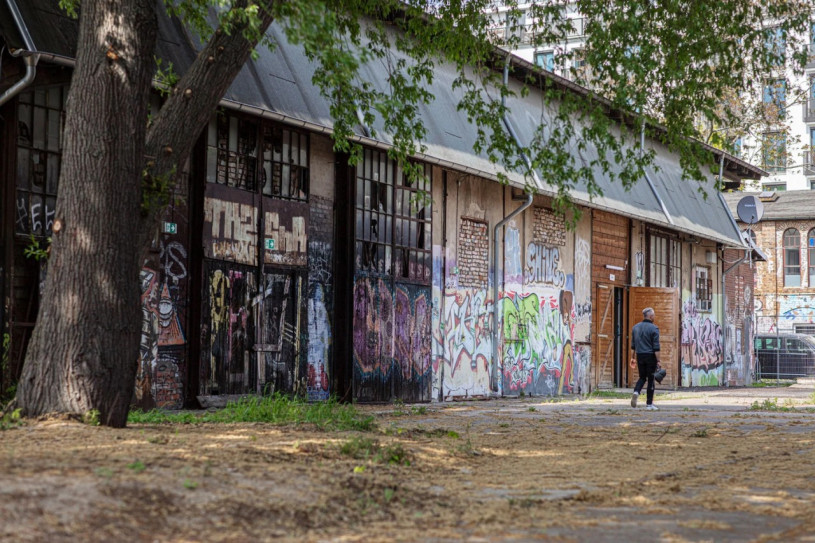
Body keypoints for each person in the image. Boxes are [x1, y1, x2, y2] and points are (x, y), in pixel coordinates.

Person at [630, 307, 661, 411]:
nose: (654, 317)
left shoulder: (635, 328)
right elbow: (656, 347)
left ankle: (636, 392)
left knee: (642, 377)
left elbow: (633, 346)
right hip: (650, 356)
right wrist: (658, 361)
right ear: (651, 316)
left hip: (639, 355)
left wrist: (632, 358)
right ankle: (649, 404)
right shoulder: (654, 329)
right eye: (654, 315)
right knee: (651, 379)